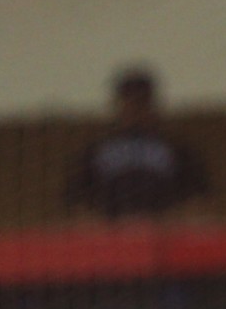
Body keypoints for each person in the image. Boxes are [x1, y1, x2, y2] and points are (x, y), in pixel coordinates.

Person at [64, 67, 211, 221]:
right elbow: (76, 202)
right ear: (118, 105)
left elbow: (198, 199)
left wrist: (169, 222)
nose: (135, 110)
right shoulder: (94, 151)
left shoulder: (178, 149)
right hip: (110, 231)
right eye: (129, 102)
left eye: (141, 103)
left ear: (152, 106)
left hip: (164, 230)